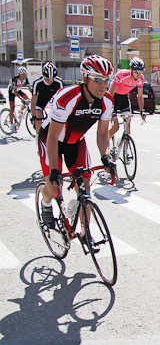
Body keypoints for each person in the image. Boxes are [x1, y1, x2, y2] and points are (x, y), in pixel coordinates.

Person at [38, 55, 117, 229]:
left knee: (85, 187)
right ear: (84, 78)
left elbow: (103, 134)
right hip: (51, 139)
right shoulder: (68, 97)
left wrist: (106, 157)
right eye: (97, 79)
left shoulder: (107, 101)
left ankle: (84, 233)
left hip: (76, 142)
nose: (103, 85)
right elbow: (52, 136)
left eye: (106, 80)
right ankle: (45, 203)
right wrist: (54, 170)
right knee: (53, 187)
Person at [107, 57, 146, 143]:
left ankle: (126, 151)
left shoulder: (141, 79)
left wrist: (141, 111)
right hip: (113, 97)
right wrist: (110, 110)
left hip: (124, 98)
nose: (138, 75)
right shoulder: (121, 75)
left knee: (128, 124)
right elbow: (111, 94)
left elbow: (139, 96)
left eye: (140, 72)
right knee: (116, 127)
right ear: (131, 70)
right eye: (136, 72)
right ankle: (105, 142)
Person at [30, 61, 64, 134]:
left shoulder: (59, 82)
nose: (50, 81)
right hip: (39, 103)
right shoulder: (37, 83)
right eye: (47, 79)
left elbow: (62, 97)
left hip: (51, 104)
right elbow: (33, 101)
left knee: (54, 121)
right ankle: (38, 137)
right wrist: (33, 116)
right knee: (39, 118)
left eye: (52, 79)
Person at [7, 66, 31, 133]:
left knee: (28, 100)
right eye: (22, 74)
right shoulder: (15, 79)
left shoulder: (25, 79)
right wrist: (21, 99)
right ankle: (12, 125)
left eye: (24, 74)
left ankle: (20, 111)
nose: (23, 75)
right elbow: (14, 92)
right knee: (12, 107)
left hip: (19, 90)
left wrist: (34, 95)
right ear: (19, 74)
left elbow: (30, 89)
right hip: (12, 92)